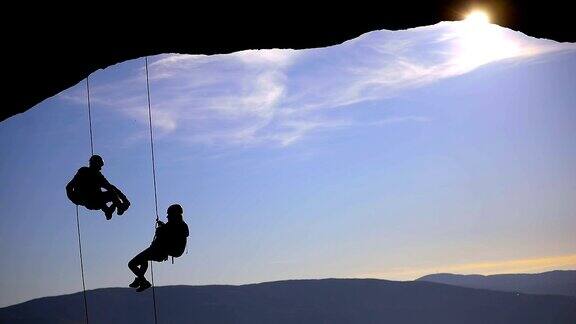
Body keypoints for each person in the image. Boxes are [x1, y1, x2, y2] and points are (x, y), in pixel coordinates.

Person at [128, 204, 189, 292]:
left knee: (132, 264)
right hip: (161, 251)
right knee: (143, 260)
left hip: (160, 251)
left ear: (174, 214)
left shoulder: (179, 226)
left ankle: (142, 281)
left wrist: (162, 229)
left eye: (169, 214)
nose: (167, 216)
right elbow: (172, 233)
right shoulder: (178, 225)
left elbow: (173, 235)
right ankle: (141, 280)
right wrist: (163, 227)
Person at [66, 155, 130, 220]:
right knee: (112, 194)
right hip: (91, 201)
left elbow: (110, 187)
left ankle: (109, 210)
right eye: (100, 166)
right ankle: (113, 209)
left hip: (94, 202)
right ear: (95, 164)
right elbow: (69, 187)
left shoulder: (96, 175)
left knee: (112, 194)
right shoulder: (85, 172)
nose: (100, 169)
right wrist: (77, 200)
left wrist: (124, 200)